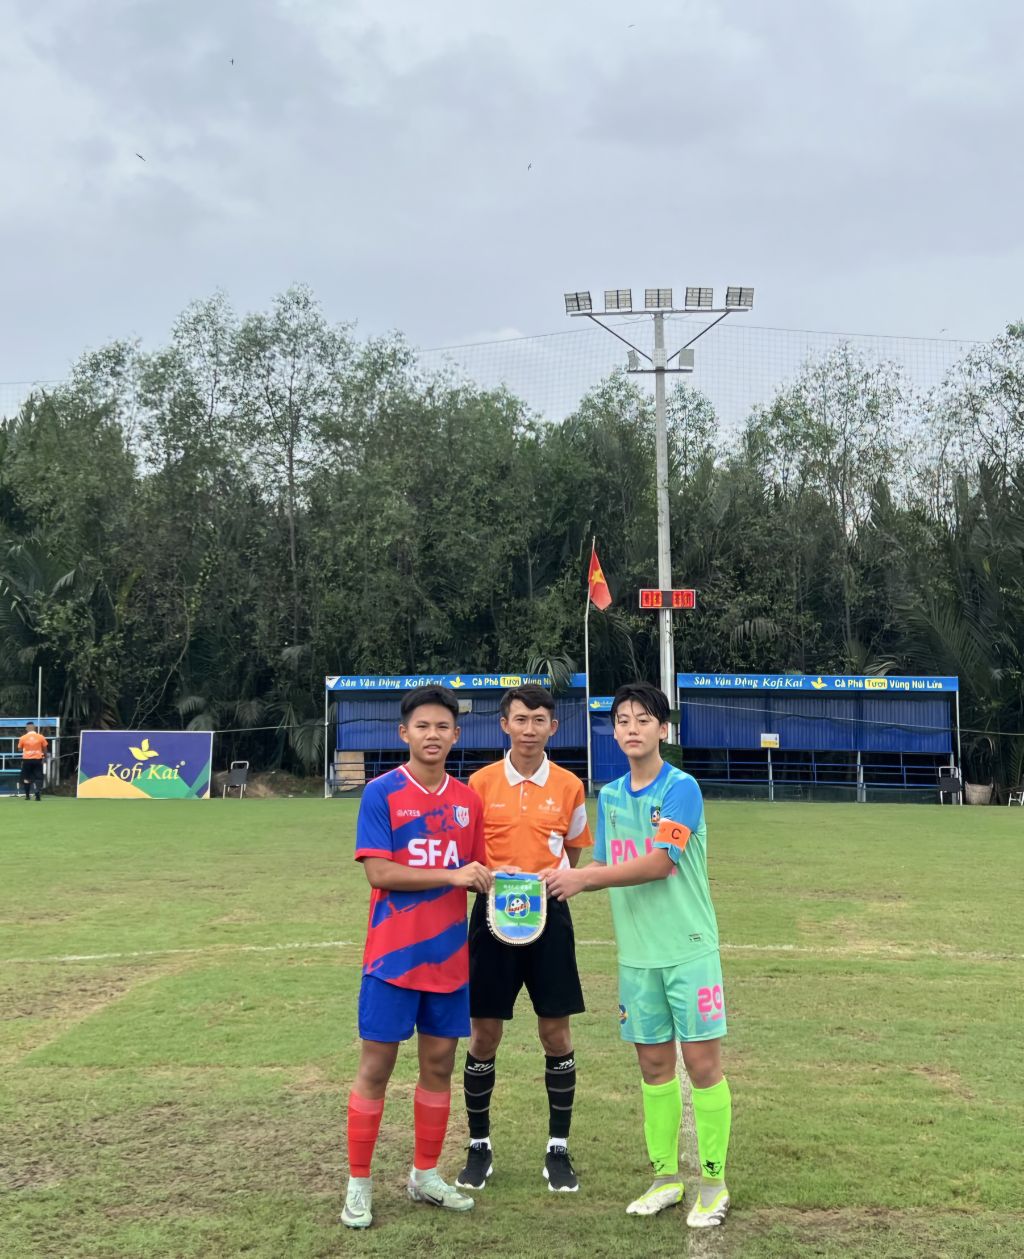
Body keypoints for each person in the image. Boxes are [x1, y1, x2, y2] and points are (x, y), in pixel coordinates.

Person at [546, 681, 732, 1229]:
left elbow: (660, 863)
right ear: (614, 731)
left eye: (643, 719)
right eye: (623, 720)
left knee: (702, 1066)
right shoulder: (610, 796)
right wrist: (555, 878)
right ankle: (666, 1179)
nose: (632, 728)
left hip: (689, 950)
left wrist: (583, 879)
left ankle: (714, 1184)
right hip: (637, 956)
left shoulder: (681, 788)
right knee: (653, 1067)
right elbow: (603, 866)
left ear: (662, 729)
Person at [342, 686, 494, 1230]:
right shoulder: (381, 792)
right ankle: (358, 1184)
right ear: (403, 732)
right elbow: (379, 872)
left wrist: (514, 888)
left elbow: (477, 872)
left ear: (456, 735)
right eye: (422, 726)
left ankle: (424, 1174)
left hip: (448, 959)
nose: (433, 735)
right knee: (376, 1068)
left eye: (442, 726)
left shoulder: (468, 801)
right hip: (391, 960)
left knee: (439, 1066)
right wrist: (452, 875)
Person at [456, 683, 592, 1194]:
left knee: (555, 1032)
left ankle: (558, 1148)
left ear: (553, 727)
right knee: (483, 1033)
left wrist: (547, 882)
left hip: (549, 916)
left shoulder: (570, 785)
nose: (529, 729)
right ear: (504, 724)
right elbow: (469, 854)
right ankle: (479, 1146)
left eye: (539, 721)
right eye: (520, 719)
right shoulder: (479, 783)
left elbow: (572, 852)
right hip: (491, 916)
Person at [18, 722, 48, 802]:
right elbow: (45, 748)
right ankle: (37, 791)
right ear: (34, 728)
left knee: (26, 777)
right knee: (38, 776)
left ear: (27, 728)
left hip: (27, 760)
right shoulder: (41, 737)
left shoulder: (23, 738)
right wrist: (45, 758)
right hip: (37, 759)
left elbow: (19, 749)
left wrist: (27, 748)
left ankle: (27, 796)